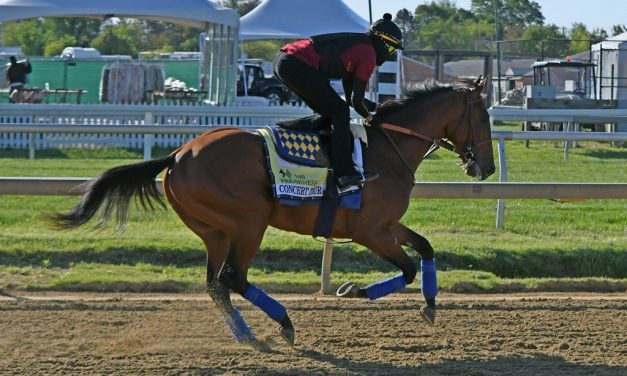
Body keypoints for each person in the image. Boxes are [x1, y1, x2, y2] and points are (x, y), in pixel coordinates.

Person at [273, 13, 404, 190]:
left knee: (331, 113)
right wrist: (370, 117)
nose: (390, 53)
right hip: (295, 63)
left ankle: (290, 133)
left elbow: (352, 98)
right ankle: (345, 174)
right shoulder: (368, 54)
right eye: (391, 48)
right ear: (383, 42)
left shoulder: (361, 47)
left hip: (286, 61)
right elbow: (356, 102)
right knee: (339, 112)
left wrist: (375, 107)